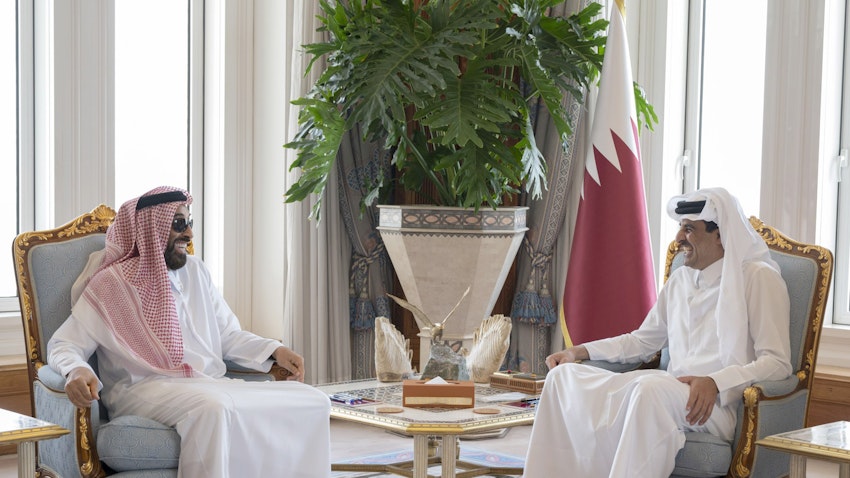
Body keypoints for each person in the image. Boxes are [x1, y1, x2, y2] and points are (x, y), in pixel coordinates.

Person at [48, 186, 331, 478]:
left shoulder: (196, 272)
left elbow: (228, 335)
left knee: (311, 400)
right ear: (149, 228)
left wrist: (275, 350)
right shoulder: (112, 284)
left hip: (206, 382)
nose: (189, 234)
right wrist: (76, 371)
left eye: (189, 223)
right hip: (143, 388)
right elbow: (64, 344)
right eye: (178, 224)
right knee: (214, 409)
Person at [523, 187, 793, 477]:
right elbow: (641, 341)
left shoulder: (758, 278)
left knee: (649, 388)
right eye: (680, 228)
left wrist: (715, 381)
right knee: (563, 378)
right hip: (669, 392)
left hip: (716, 406)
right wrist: (579, 351)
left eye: (689, 229)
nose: (678, 239)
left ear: (720, 235)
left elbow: (777, 363)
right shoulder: (680, 280)